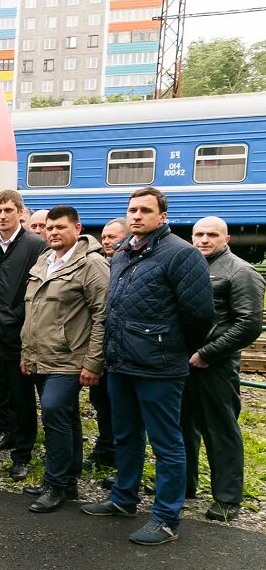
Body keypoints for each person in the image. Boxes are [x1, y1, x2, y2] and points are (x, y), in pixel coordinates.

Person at [81, 187, 214, 546]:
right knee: (125, 434)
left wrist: (168, 346)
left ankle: (166, 517)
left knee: (166, 442)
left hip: (160, 366)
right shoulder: (123, 252)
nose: (136, 216)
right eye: (132, 210)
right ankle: (124, 499)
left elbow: (200, 316)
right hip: (122, 363)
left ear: (163, 216)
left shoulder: (181, 254)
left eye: (144, 210)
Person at [19, 206, 109, 513]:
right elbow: (33, 311)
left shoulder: (92, 264)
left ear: (77, 228)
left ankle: (55, 485)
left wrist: (93, 362)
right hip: (41, 355)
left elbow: (103, 316)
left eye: (60, 227)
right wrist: (26, 353)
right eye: (49, 228)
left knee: (55, 412)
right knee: (65, 416)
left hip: (70, 358)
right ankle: (68, 480)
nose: (53, 232)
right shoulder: (45, 259)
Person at [181, 216, 265, 521]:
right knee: (183, 426)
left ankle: (227, 498)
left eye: (211, 235)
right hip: (183, 362)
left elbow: (249, 324)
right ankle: (185, 486)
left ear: (226, 239)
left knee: (220, 430)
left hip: (213, 365)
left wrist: (207, 353)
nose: (204, 239)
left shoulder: (242, 271)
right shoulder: (191, 266)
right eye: (198, 234)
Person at [0, 189, 48, 480]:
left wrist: (15, 320)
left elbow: (36, 292)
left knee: (21, 399)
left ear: (20, 213)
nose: (2, 216)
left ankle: (22, 454)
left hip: (17, 337)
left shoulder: (36, 246)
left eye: (8, 211)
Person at [83, 217, 129, 469]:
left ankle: (115, 454)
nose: (106, 240)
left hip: (120, 350)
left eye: (112, 236)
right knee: (101, 402)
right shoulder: (104, 264)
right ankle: (105, 448)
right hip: (102, 348)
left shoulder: (125, 264)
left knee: (119, 407)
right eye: (104, 236)